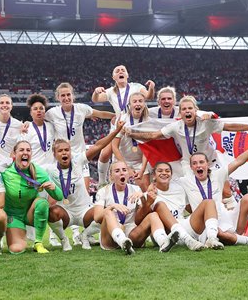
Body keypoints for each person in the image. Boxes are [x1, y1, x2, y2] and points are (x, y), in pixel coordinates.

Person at [125, 95, 248, 177]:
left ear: (195, 110)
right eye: (184, 109)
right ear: (180, 113)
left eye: (190, 108)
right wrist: (134, 133)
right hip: (189, 163)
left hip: (211, 161)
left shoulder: (206, 123)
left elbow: (228, 126)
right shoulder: (175, 126)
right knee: (190, 188)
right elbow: (154, 135)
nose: (187, 111)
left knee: (225, 190)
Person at [180, 142, 248, 247]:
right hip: (205, 227)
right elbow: (185, 205)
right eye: (194, 163)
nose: (198, 165)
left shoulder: (218, 174)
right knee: (219, 233)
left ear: (207, 164)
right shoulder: (185, 181)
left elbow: (239, 161)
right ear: (191, 167)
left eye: (201, 162)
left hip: (226, 220)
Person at [45, 82, 114, 244]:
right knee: (57, 198)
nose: (66, 98)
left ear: (72, 96)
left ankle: (82, 234)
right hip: (61, 160)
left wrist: (117, 116)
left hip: (79, 159)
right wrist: (26, 124)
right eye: (63, 95)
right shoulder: (52, 113)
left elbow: (100, 113)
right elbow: (39, 118)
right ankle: (54, 234)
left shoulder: (82, 109)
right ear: (58, 98)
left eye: (68, 94)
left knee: (83, 198)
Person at [46, 119, 125, 251]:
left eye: (67, 150)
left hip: (84, 211)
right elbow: (30, 169)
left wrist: (115, 131)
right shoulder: (49, 169)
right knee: (50, 212)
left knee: (106, 211)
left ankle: (85, 235)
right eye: (60, 151)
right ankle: (64, 239)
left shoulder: (78, 161)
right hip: (66, 212)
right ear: (54, 154)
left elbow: (98, 146)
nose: (64, 153)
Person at [93, 161, 177, 255]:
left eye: (124, 170)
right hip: (110, 238)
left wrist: (144, 200)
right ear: (111, 175)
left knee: (153, 215)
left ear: (128, 174)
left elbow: (139, 220)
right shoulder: (103, 191)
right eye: (117, 171)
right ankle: (122, 241)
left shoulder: (136, 189)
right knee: (108, 212)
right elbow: (97, 217)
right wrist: (112, 206)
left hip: (132, 235)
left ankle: (163, 242)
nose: (121, 173)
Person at [91, 65, 155, 184]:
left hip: (136, 124)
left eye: (123, 70)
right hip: (119, 125)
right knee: (105, 153)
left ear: (127, 75)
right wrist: (96, 92)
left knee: (141, 151)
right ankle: (101, 182)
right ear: (114, 77)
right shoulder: (110, 91)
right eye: (117, 71)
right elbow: (96, 99)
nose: (120, 72)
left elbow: (149, 96)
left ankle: (144, 174)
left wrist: (151, 88)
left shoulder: (136, 87)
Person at [1, 140, 63, 254]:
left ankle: (38, 243)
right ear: (14, 154)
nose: (25, 152)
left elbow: (59, 197)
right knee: (16, 250)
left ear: (31, 154)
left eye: (28, 150)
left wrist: (53, 188)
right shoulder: (5, 171)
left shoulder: (39, 172)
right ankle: (19, 235)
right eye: (21, 150)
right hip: (13, 216)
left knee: (42, 203)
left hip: (30, 213)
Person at [146, 162, 221, 251]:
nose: (164, 173)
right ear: (154, 175)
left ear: (171, 174)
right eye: (160, 171)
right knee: (160, 205)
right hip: (167, 233)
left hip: (184, 225)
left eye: (167, 171)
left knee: (209, 202)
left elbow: (189, 208)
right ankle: (187, 240)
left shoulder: (179, 188)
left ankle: (212, 238)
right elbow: (141, 219)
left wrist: (203, 216)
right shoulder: (148, 194)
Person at [111, 92, 150, 190]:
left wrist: (142, 169)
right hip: (121, 160)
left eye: (140, 101)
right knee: (119, 189)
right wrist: (126, 167)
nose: (137, 104)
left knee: (144, 189)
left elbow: (147, 149)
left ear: (144, 104)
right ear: (129, 105)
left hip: (139, 162)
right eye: (134, 101)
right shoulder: (122, 120)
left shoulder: (148, 121)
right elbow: (114, 146)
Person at [21, 93, 55, 167]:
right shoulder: (26, 129)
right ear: (31, 113)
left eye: (41, 108)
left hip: (51, 169)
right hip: (35, 169)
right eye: (35, 109)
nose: (38, 111)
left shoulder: (51, 126)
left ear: (45, 111)